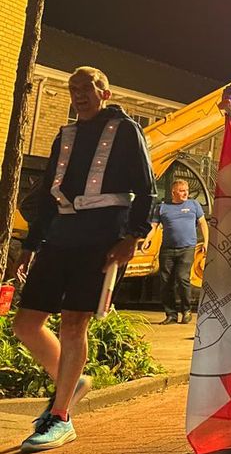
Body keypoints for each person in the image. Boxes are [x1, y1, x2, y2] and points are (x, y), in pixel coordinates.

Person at [13, 67, 155, 452]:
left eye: (86, 88)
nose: (78, 94)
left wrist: (133, 237)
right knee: (26, 324)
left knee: (74, 323)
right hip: (60, 236)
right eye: (72, 88)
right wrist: (30, 245)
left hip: (103, 238)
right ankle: (71, 381)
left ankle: (60, 417)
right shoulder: (65, 135)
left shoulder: (127, 131)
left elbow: (147, 190)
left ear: (104, 93)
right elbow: (48, 194)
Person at [149, 178, 207, 325]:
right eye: (182, 191)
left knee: (182, 278)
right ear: (173, 192)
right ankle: (171, 315)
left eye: (186, 190)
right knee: (166, 282)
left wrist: (206, 242)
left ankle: (186, 311)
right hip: (167, 250)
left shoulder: (194, 205)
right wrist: (148, 239)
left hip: (187, 248)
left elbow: (203, 223)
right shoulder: (162, 208)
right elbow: (153, 227)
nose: (185, 193)